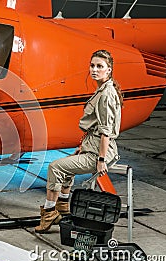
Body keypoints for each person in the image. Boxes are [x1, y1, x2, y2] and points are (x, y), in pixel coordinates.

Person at [35, 49, 123, 233]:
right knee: (67, 167)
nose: (94, 69)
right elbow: (95, 129)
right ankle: (63, 206)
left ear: (109, 70)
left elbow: (105, 131)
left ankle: (49, 213)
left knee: (55, 167)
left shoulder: (106, 94)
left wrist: (100, 160)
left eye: (100, 66)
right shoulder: (104, 89)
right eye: (92, 65)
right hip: (92, 146)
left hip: (100, 152)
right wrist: (82, 147)